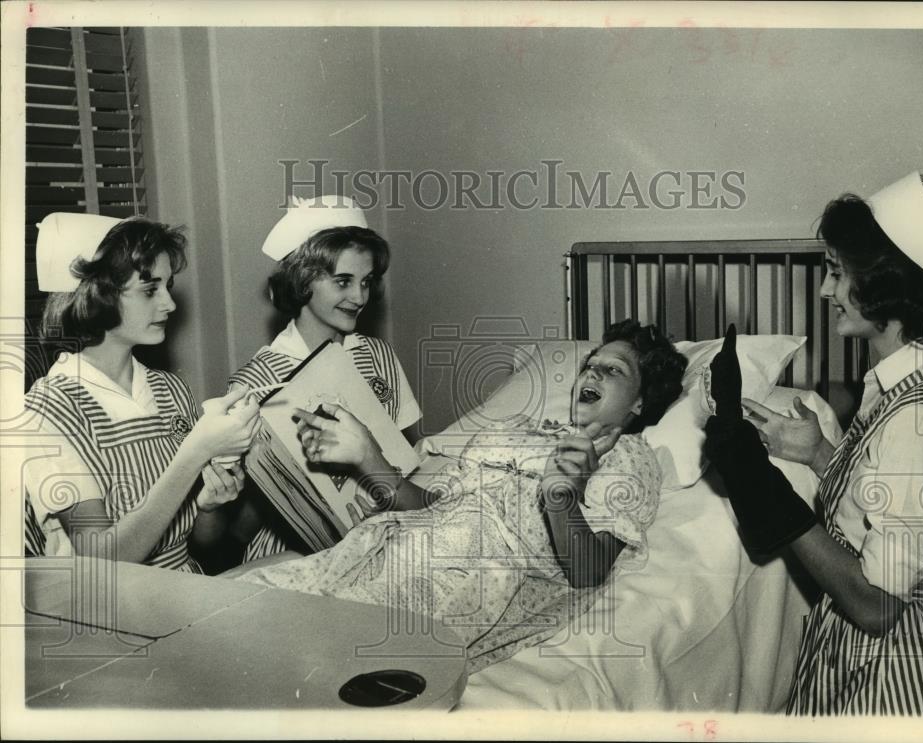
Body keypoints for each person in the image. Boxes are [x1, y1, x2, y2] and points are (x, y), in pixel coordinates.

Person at [232, 319, 686, 672]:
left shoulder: (629, 458)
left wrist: (561, 499)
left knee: (324, 649)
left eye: (613, 371)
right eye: (590, 364)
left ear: (640, 404)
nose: (593, 372)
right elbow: (431, 507)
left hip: (483, 566)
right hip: (399, 542)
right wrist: (366, 453)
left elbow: (589, 572)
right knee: (240, 610)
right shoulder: (514, 428)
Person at [704, 172, 923, 715]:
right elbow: (890, 506)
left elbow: (877, 604)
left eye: (835, 273)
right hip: (865, 652)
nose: (826, 290)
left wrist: (763, 488)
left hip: (891, 672)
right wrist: (818, 455)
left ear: (883, 281)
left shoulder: (916, 418)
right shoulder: (911, 389)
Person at [23, 214, 261, 571]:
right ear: (96, 295)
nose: (170, 304)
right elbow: (105, 561)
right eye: (150, 290)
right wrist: (196, 452)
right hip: (108, 613)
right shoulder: (48, 410)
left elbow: (201, 545)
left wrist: (210, 506)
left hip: (182, 592)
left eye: (168, 286)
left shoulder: (171, 391)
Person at [229, 194, 421, 563]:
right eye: (343, 281)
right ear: (302, 282)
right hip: (295, 550)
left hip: (391, 530)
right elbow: (240, 521)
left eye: (366, 282)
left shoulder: (378, 355)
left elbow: (410, 456)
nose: (359, 296)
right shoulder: (255, 383)